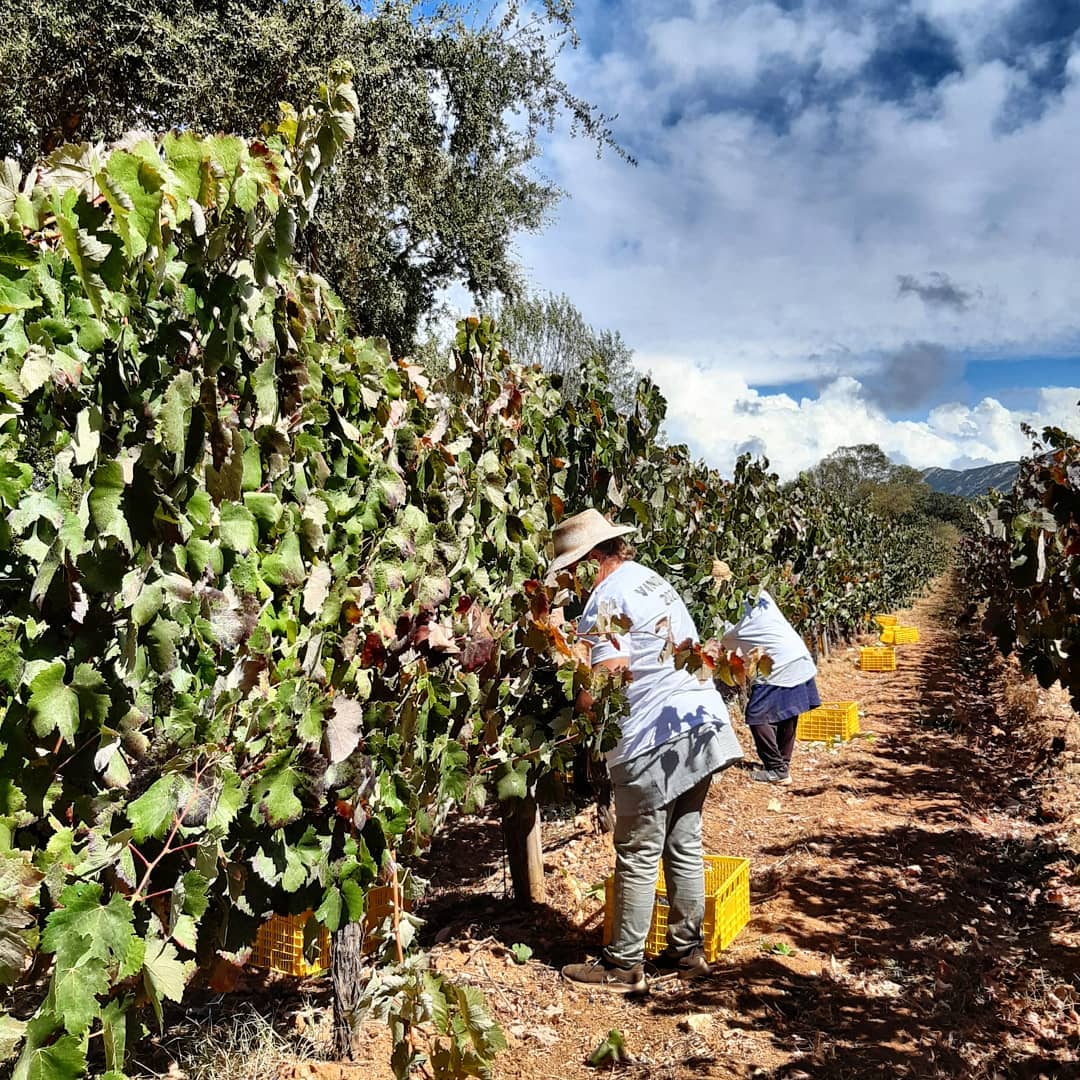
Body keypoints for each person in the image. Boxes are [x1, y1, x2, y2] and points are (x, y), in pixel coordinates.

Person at [551, 509, 744, 994]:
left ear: (594, 559)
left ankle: (622, 967)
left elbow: (611, 678)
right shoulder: (650, 580)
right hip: (700, 721)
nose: (571, 581)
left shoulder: (606, 599)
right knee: (684, 839)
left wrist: (581, 710)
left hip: (653, 738)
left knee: (638, 851)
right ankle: (687, 952)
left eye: (573, 568)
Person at [721, 588, 821, 785]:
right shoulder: (761, 594)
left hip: (778, 663)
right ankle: (782, 764)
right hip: (798, 654)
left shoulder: (728, 624)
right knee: (789, 712)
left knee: (756, 715)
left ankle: (776, 768)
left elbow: (724, 642)